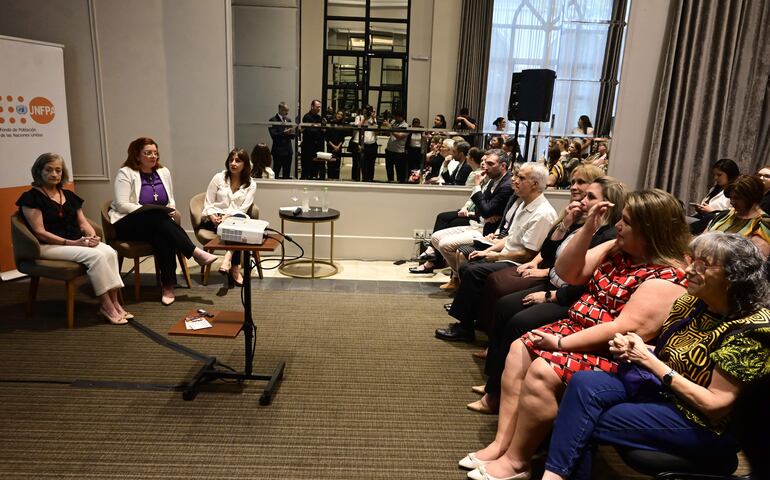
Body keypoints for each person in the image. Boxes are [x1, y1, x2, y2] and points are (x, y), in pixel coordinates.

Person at [459, 189, 690, 479]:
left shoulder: (667, 275)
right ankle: (502, 443)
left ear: (652, 230)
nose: (618, 225)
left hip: (613, 351)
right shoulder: (619, 250)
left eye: (627, 222)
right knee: (520, 348)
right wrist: (589, 230)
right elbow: (568, 272)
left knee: (544, 369)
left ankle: (517, 460)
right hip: (576, 329)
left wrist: (560, 343)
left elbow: (623, 329)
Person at [541, 232, 770, 480]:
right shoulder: (691, 303)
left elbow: (715, 406)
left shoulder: (753, 329)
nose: (689, 270)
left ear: (733, 277)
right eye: (691, 260)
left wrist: (648, 359)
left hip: (705, 425)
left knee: (585, 420)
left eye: (702, 265)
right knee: (585, 382)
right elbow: (670, 356)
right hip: (666, 393)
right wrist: (636, 348)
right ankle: (555, 476)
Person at [471, 174, 624, 413]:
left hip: (569, 296)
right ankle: (495, 380)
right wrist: (565, 224)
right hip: (554, 285)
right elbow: (549, 252)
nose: (583, 200)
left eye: (590, 197)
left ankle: (496, 396)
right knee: (505, 305)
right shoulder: (581, 223)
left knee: (519, 321)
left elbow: (588, 281)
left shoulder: (609, 236)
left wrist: (553, 297)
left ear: (608, 204)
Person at [435, 163, 557, 342]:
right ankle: (475, 316)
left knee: (472, 271)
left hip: (518, 263)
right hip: (508, 254)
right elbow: (511, 238)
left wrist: (495, 256)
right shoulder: (525, 204)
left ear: (535, 184)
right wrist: (489, 251)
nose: (514, 180)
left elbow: (528, 254)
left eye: (521, 178)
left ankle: (465, 328)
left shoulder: (542, 213)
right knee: (469, 263)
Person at [17, 153, 131, 325]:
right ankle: (106, 305)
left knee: (109, 251)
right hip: (47, 245)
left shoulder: (69, 196)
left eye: (58, 170)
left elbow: (83, 222)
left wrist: (92, 236)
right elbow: (39, 232)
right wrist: (72, 243)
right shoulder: (31, 197)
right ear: (39, 171)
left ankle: (115, 302)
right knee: (96, 256)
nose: (54, 174)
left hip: (75, 242)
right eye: (48, 170)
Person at [108, 137, 217, 305]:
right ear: (137, 155)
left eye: (155, 153)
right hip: (128, 223)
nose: (153, 156)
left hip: (157, 224)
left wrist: (169, 209)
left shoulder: (163, 172)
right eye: (148, 153)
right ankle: (194, 252)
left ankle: (168, 286)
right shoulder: (126, 173)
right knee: (157, 218)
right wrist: (146, 211)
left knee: (162, 235)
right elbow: (122, 205)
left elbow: (170, 199)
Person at [410, 150, 513, 275]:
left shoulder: (507, 184)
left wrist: (477, 186)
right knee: (435, 237)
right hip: (480, 222)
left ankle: (460, 278)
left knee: (444, 244)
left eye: (490, 164)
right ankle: (458, 276)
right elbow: (482, 207)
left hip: (489, 230)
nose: (486, 166)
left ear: (503, 166)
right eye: (485, 162)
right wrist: (484, 212)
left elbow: (486, 210)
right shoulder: (492, 179)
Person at [201, 148, 257, 287]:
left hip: (236, 218)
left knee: (236, 223)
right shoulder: (218, 178)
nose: (233, 163)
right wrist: (212, 215)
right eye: (231, 160)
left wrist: (228, 216)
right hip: (214, 218)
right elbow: (208, 201)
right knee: (238, 230)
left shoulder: (251, 184)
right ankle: (235, 268)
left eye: (238, 161)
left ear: (245, 164)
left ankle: (228, 259)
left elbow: (244, 208)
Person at [706, 174, 770, 257]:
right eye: (731, 198)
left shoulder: (763, 224)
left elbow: (754, 261)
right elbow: (703, 238)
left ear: (751, 197)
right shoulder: (725, 214)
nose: (732, 202)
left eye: (737, 198)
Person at [689, 158, 740, 233]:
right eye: (714, 175)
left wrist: (712, 211)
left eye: (719, 175)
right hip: (703, 219)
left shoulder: (735, 192)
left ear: (730, 174)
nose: (715, 178)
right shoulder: (714, 189)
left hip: (716, 223)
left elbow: (733, 215)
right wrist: (701, 209)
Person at [267, 102, 294, 179]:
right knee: (276, 172)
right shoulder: (272, 120)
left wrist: (291, 132)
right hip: (278, 151)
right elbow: (274, 135)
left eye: (288, 110)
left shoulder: (288, 120)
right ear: (280, 109)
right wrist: (284, 133)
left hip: (288, 151)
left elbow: (293, 135)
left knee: (287, 173)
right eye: (286, 110)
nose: (287, 112)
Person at [300, 99, 324, 180]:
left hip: (317, 146)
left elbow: (321, 131)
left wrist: (318, 128)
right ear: (312, 106)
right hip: (308, 147)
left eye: (320, 107)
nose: (319, 109)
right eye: (317, 107)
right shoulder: (306, 117)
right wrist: (318, 129)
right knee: (306, 168)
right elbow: (310, 132)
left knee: (315, 168)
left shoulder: (319, 118)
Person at [383, 111, 409, 183]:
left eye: (396, 116)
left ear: (401, 117)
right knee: (389, 171)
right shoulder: (393, 122)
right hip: (389, 151)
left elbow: (399, 136)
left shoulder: (405, 126)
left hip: (399, 152)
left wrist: (390, 127)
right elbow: (388, 133)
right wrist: (386, 126)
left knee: (400, 173)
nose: (395, 118)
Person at [356, 105, 379, 182]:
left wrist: (373, 118)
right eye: (366, 111)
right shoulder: (360, 118)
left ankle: (370, 179)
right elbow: (358, 127)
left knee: (371, 164)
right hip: (364, 144)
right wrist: (364, 119)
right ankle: (364, 179)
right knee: (363, 164)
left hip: (372, 144)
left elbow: (377, 131)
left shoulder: (374, 119)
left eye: (369, 111)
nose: (367, 113)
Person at [324, 110, 346, 180]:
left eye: (341, 115)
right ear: (336, 114)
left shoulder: (342, 125)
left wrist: (338, 146)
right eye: (338, 114)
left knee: (337, 164)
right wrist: (333, 146)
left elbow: (342, 138)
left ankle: (336, 179)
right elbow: (327, 137)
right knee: (330, 163)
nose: (339, 115)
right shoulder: (330, 123)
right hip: (331, 146)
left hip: (339, 147)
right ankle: (330, 178)